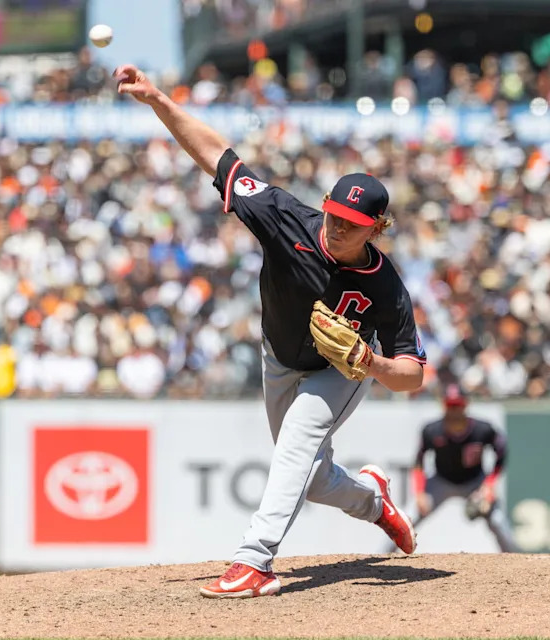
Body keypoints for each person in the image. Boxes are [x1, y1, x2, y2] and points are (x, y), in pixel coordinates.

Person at [114, 64, 427, 599]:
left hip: (340, 370)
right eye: (333, 214)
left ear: (377, 228)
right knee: (310, 476)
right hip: (278, 357)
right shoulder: (285, 217)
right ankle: (374, 500)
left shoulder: (387, 288)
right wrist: (160, 100)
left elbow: (413, 376)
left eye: (351, 223)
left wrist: (370, 364)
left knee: (298, 441)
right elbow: (218, 155)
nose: (336, 225)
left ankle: (254, 562)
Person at [408, 384, 516, 552]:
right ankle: (382, 558)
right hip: (440, 481)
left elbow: (501, 452)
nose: (454, 410)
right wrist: (419, 493)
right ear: (444, 405)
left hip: (475, 483)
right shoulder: (432, 430)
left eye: (457, 405)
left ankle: (514, 562)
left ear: (465, 405)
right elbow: (418, 463)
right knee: (407, 519)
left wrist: (489, 485)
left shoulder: (482, 429)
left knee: (497, 521)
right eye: (450, 405)